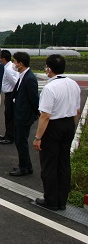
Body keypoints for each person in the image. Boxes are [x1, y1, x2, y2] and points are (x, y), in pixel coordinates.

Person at [33, 55, 81, 211]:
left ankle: (51, 200)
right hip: (68, 124)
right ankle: (62, 200)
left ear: (49, 69)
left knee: (49, 164)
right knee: (63, 163)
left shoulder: (50, 88)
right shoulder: (74, 84)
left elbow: (45, 116)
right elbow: (77, 111)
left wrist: (38, 137)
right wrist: (71, 129)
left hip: (53, 126)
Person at [9, 52, 39, 176]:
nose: (13, 64)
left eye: (15, 61)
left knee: (21, 142)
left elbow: (34, 99)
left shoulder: (29, 78)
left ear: (20, 64)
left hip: (24, 116)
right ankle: (27, 165)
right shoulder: (23, 76)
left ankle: (24, 168)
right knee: (20, 141)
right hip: (20, 114)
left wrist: (34, 114)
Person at [0, 50, 19, 145]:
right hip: (10, 94)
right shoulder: (9, 67)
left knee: (9, 115)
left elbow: (15, 83)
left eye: (0, 58)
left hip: (11, 94)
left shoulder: (9, 69)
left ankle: (10, 137)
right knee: (8, 115)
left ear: (3, 59)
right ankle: (8, 134)